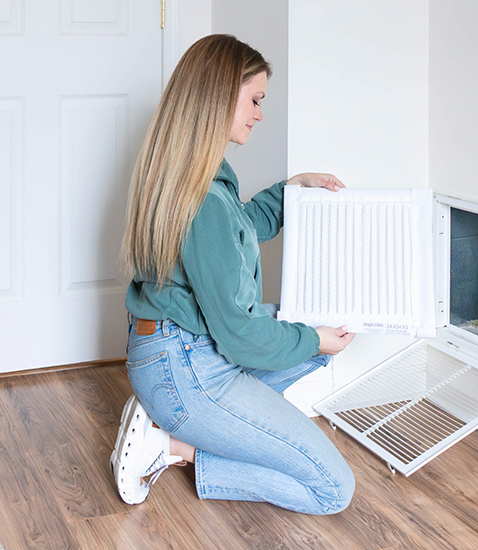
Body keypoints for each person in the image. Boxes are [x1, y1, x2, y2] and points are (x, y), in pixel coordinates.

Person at [111, 34, 356, 515]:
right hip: (186, 369)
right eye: (256, 100)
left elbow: (239, 228)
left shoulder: (191, 174)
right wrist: (315, 340)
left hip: (173, 351)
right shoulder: (203, 198)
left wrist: (293, 189)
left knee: (310, 325)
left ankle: (204, 424)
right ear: (221, 95)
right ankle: (173, 447)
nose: (260, 114)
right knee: (333, 489)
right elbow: (242, 336)